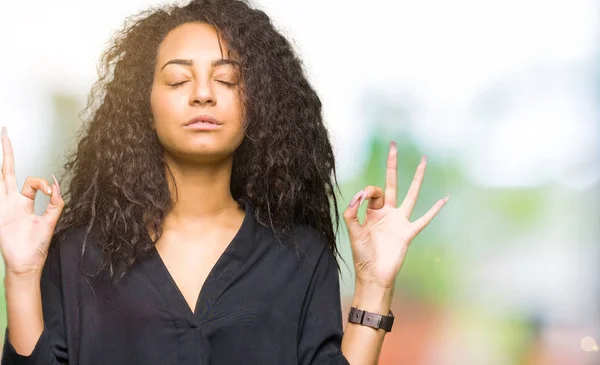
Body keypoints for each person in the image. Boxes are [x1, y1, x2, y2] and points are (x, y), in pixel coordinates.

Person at [0, 0, 449, 364]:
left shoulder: (299, 255)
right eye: (178, 79)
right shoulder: (79, 253)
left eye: (227, 78)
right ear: (145, 106)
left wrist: (374, 283)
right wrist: (20, 272)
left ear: (257, 104)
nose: (202, 93)